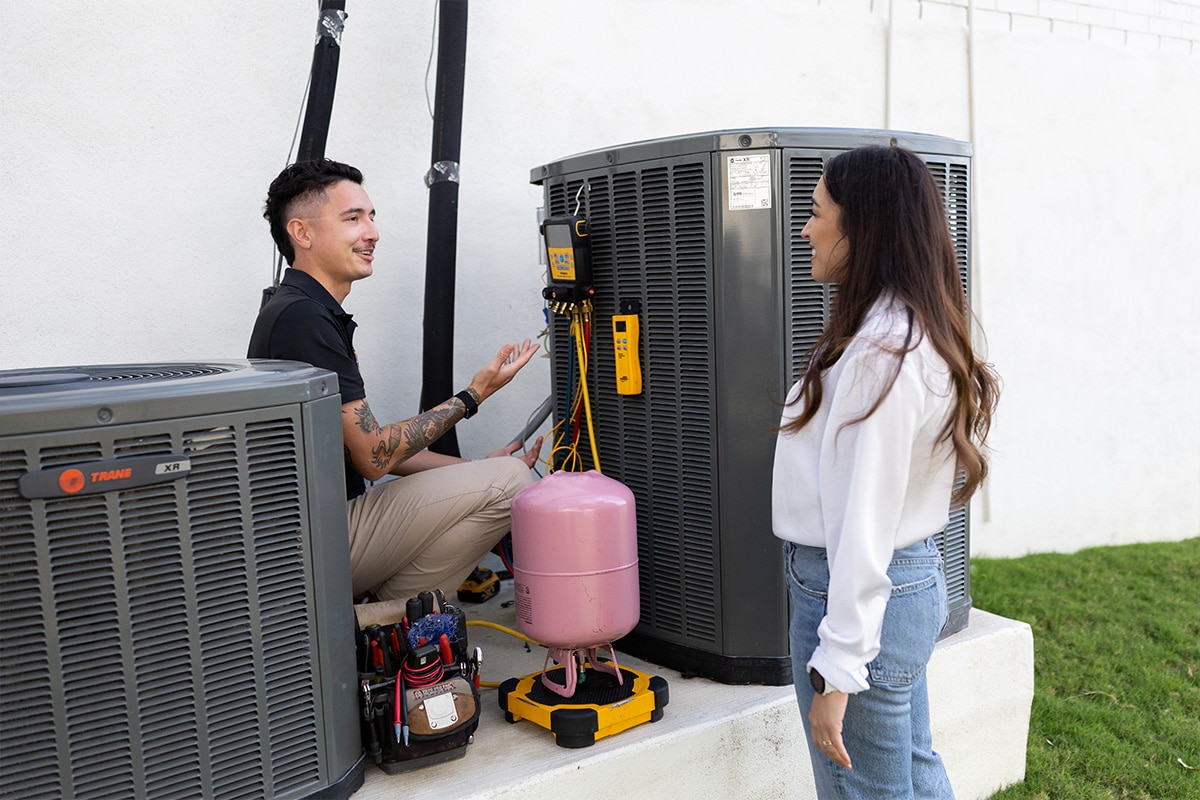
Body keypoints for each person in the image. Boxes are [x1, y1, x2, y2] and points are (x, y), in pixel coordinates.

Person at [772, 144, 1000, 799]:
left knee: (866, 790)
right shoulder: (909, 328)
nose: (806, 228)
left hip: (853, 595)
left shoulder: (882, 352)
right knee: (914, 771)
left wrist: (837, 672)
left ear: (862, 226)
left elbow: (862, 521)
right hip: (902, 583)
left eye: (817, 213)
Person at [248, 158, 543, 602]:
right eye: (352, 218)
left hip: (317, 534)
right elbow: (375, 457)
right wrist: (473, 394)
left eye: (371, 217)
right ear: (302, 233)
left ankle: (384, 626)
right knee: (512, 484)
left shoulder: (305, 310)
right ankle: (382, 621)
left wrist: (476, 470)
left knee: (502, 480)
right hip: (306, 545)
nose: (372, 233)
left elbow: (368, 449)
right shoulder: (302, 317)